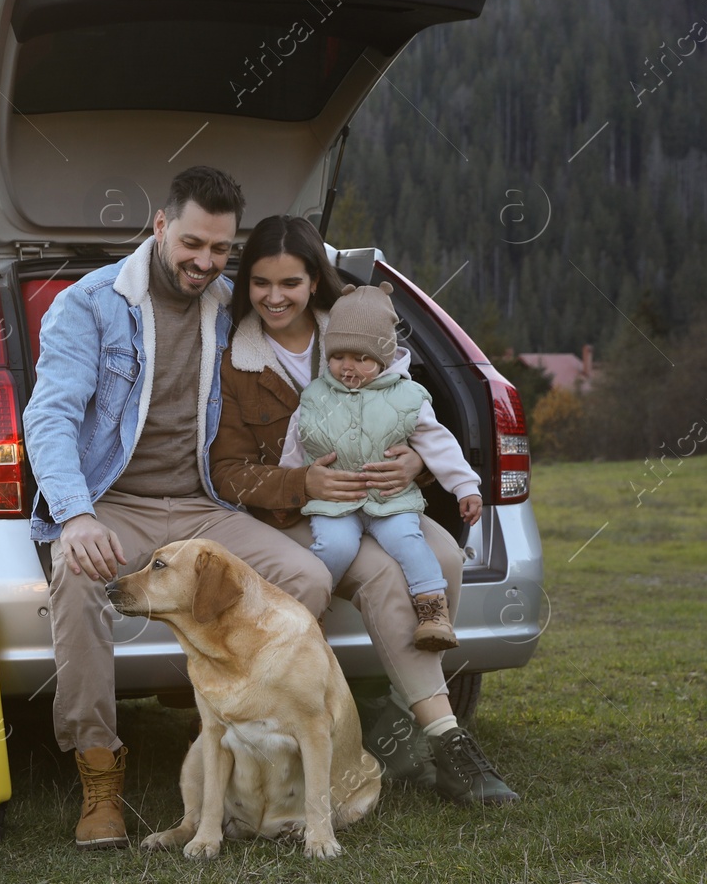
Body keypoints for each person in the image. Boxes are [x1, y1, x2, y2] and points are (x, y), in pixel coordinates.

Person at [24, 167, 353, 849]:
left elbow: (320, 337)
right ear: (161, 226)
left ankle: (254, 737)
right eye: (193, 243)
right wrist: (76, 514)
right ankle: (100, 778)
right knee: (80, 575)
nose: (205, 262)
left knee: (310, 580)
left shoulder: (232, 304)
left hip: (203, 504)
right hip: (114, 500)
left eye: (220, 249)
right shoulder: (89, 305)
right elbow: (50, 415)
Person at [210, 214, 518, 806]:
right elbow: (227, 471)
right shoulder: (233, 361)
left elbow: (415, 418)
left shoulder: (359, 330)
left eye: (291, 283)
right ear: (245, 283)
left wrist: (415, 468)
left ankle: (400, 733)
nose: (275, 297)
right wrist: (304, 481)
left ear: (314, 283)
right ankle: (446, 739)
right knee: (383, 577)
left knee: (446, 554)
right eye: (261, 284)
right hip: (295, 514)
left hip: (380, 497)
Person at [280, 281, 483, 652]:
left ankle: (433, 611)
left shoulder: (408, 398)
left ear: (384, 357)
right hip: (335, 503)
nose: (349, 367)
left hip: (390, 500)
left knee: (408, 541)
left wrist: (465, 486)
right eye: (340, 356)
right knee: (334, 546)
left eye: (363, 358)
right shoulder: (314, 397)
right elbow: (296, 447)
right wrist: (288, 489)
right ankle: (313, 610)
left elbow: (438, 445)